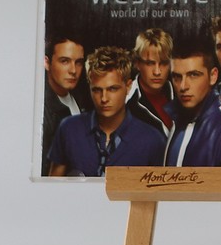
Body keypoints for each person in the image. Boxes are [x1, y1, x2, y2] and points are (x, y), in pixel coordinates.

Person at [48, 46, 165, 177]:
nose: (104, 98)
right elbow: (52, 185)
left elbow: (159, 189)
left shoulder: (152, 140)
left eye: (112, 89)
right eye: (97, 90)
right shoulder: (68, 129)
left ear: (128, 86)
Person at [164, 39, 221, 167]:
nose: (183, 86)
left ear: (213, 76)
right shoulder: (176, 125)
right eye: (177, 77)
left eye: (193, 75)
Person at [41, 36, 91, 175]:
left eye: (78, 62)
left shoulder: (85, 98)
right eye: (65, 61)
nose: (73, 70)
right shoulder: (42, 110)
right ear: (46, 63)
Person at [126, 28, 174, 137]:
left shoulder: (179, 91)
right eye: (150, 63)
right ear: (137, 63)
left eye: (163, 63)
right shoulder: (126, 101)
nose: (157, 72)